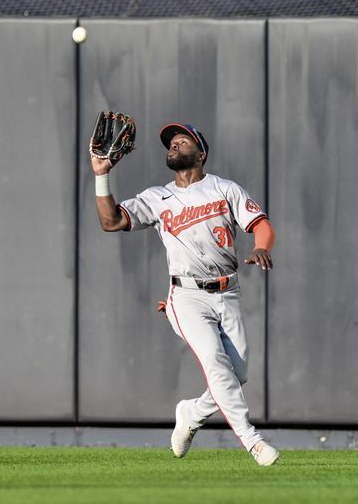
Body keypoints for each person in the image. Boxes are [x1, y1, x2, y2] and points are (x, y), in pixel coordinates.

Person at [90, 121, 279, 466]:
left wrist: (262, 246)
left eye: (182, 141)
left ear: (201, 153)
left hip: (228, 292)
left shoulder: (224, 189)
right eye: (170, 142)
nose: (173, 145)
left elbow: (260, 225)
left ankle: (191, 413)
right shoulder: (157, 198)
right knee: (215, 363)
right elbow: (111, 221)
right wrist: (102, 175)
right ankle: (252, 441)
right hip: (187, 295)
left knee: (238, 375)